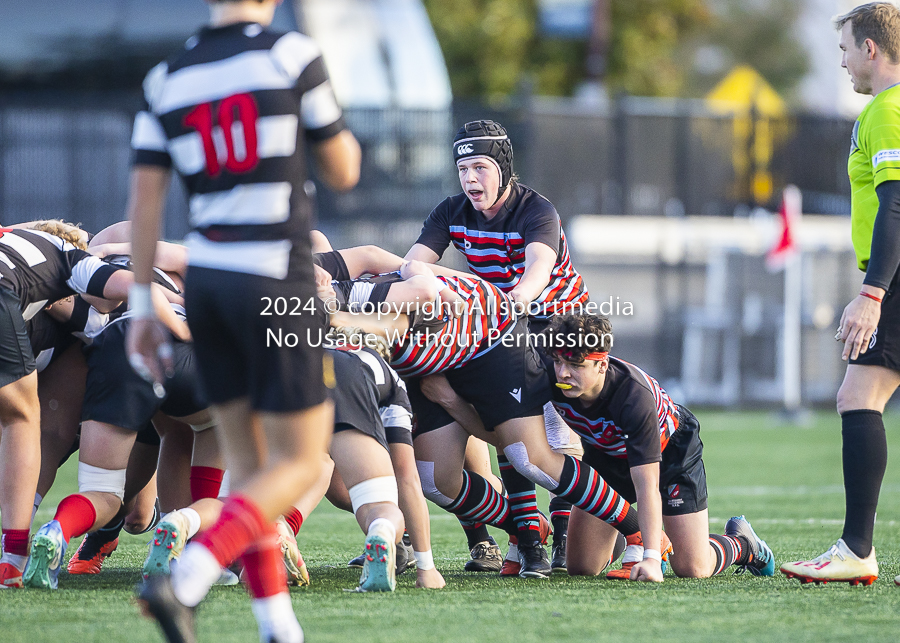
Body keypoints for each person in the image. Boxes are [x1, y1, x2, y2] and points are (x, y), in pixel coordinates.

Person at [126, 0, 360, 641]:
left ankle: (277, 626)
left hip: (207, 287)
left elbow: (145, 199)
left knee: (251, 470)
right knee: (301, 461)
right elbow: (343, 171)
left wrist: (144, 303)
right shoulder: (289, 55)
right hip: (276, 279)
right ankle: (189, 578)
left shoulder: (166, 75)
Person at [404, 119, 588, 573]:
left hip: (559, 324)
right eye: (462, 168)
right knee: (506, 421)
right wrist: (425, 289)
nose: (469, 179)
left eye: (480, 167)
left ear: (503, 168)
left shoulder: (536, 210)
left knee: (557, 430)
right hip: (504, 323)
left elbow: (537, 271)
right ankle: (527, 532)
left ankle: (563, 531)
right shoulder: (450, 211)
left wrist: (512, 302)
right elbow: (412, 264)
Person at [781, 2, 900, 587]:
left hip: (896, 280)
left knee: (859, 397)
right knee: (860, 395)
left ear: (872, 49)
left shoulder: (889, 109)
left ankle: (856, 549)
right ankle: (855, 547)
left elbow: (897, 204)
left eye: (847, 49)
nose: (845, 62)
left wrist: (873, 291)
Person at [541, 313, 775, 581]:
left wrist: (650, 557)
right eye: (558, 361)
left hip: (672, 453)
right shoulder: (547, 376)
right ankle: (617, 534)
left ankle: (743, 544)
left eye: (576, 364)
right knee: (582, 567)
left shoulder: (633, 399)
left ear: (602, 365)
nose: (563, 373)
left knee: (693, 568)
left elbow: (647, 486)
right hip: (607, 456)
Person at [0, 227, 171, 589]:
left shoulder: (87, 261)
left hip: (146, 349)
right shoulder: (60, 284)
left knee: (136, 512)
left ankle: (74, 537)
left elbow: (105, 306)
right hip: (137, 360)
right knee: (127, 503)